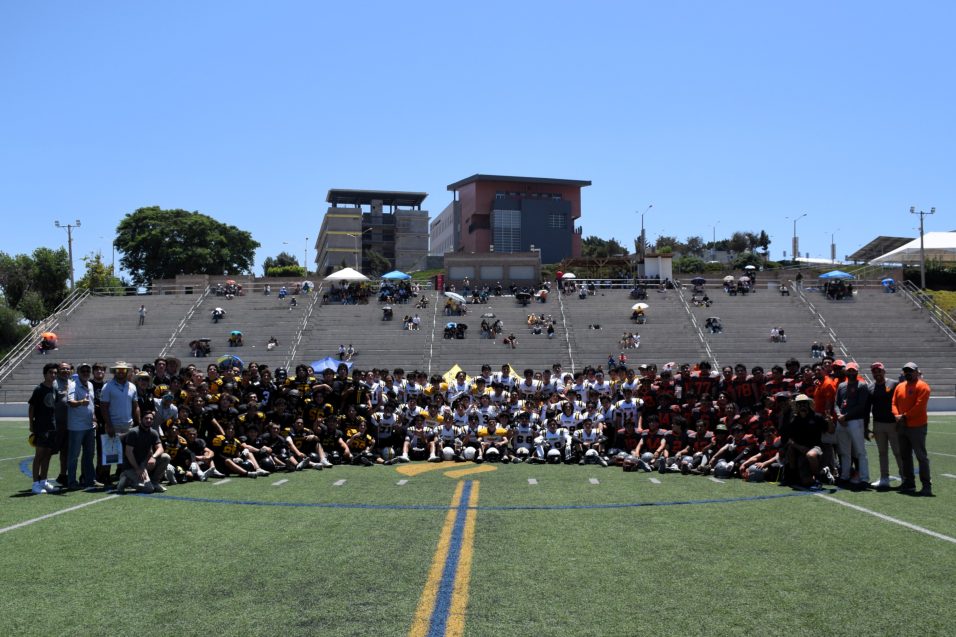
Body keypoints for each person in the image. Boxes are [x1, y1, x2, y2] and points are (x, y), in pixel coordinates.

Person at [892, 362, 933, 496]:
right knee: (905, 456)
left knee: (921, 456)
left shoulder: (923, 386)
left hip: (917, 426)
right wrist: (896, 415)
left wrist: (904, 416)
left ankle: (926, 485)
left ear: (916, 372)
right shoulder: (900, 386)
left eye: (910, 371)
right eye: (906, 371)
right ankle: (909, 483)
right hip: (902, 425)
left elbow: (919, 406)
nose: (908, 373)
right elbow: (894, 403)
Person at [833, 362, 871, 488]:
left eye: (853, 370)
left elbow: (861, 406)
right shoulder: (841, 385)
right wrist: (839, 415)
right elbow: (836, 403)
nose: (851, 373)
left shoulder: (862, 385)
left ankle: (864, 478)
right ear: (846, 372)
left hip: (855, 421)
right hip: (841, 421)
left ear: (857, 371)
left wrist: (846, 416)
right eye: (849, 371)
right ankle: (845, 476)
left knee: (860, 451)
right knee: (844, 451)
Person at [116, 412, 170, 494]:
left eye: (151, 419)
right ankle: (126, 480)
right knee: (148, 489)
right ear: (141, 419)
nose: (149, 420)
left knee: (165, 457)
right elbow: (128, 453)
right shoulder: (133, 432)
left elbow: (160, 448)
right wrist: (137, 468)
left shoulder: (153, 432)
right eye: (146, 418)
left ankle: (154, 482)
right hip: (131, 466)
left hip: (143, 464)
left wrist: (153, 457)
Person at [868, 362, 902, 490]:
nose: (877, 373)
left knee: (898, 452)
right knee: (882, 452)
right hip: (878, 424)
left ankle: (904, 477)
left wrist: (900, 421)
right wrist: (868, 425)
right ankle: (884, 478)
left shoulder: (894, 384)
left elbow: (900, 402)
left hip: (893, 424)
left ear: (884, 371)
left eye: (879, 371)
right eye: (875, 371)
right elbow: (868, 407)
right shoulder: (870, 387)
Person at [28, 363, 61, 494]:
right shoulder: (39, 389)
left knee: (48, 455)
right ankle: (35, 483)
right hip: (41, 427)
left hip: (52, 426)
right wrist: (31, 424)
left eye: (54, 373)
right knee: (39, 455)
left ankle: (44, 481)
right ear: (45, 374)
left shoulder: (54, 389)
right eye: (50, 373)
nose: (53, 375)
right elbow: (31, 408)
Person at [66, 363, 98, 490]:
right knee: (74, 455)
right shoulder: (73, 385)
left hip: (89, 425)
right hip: (76, 427)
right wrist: (80, 403)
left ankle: (89, 479)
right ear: (78, 372)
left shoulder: (90, 384)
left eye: (87, 371)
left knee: (89, 454)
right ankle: (71, 481)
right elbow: (70, 401)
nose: (85, 373)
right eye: (83, 371)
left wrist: (94, 417)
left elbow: (91, 403)